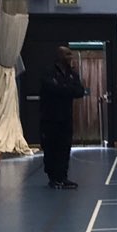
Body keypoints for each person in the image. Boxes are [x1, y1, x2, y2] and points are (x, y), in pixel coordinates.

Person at [40, 46, 85, 189]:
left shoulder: (72, 74)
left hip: (66, 117)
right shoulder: (48, 72)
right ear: (59, 56)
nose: (70, 57)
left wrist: (63, 88)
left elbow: (79, 91)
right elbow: (51, 88)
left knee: (65, 148)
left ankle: (63, 177)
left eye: (70, 54)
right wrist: (66, 89)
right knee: (51, 148)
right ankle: (53, 178)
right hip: (50, 118)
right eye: (67, 54)